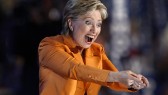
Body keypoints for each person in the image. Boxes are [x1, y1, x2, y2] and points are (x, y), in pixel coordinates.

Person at [38, 0, 149, 95]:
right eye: (88, 22)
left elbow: (113, 79)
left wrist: (134, 82)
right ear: (71, 24)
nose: (95, 30)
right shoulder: (49, 46)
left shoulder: (96, 50)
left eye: (98, 24)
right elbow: (75, 69)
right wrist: (118, 76)